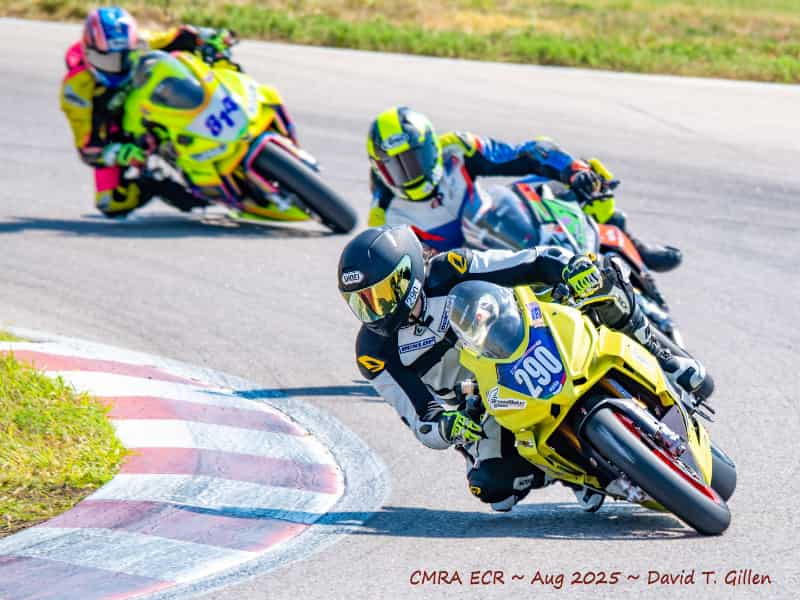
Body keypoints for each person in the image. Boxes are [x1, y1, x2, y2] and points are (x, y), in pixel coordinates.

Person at [337, 226, 709, 512]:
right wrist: (445, 426)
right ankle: (577, 472)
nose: (376, 310)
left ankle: (664, 357)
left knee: (602, 281)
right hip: (483, 401)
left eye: (381, 295)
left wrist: (569, 268)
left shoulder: (451, 269)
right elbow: (419, 414)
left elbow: (530, 261)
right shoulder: (374, 352)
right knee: (491, 487)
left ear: (409, 275)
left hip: (525, 333)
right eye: (362, 303)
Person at [365, 106, 681, 272]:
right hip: (470, 277)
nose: (408, 174)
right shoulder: (384, 217)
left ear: (431, 146)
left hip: (503, 221)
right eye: (394, 166)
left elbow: (525, 153)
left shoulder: (457, 149)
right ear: (378, 167)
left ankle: (630, 242)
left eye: (414, 160)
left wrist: (574, 171)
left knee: (582, 172)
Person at [60, 7, 239, 218]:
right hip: (120, 133)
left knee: (213, 64)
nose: (118, 68)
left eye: (126, 57)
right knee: (110, 202)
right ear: (88, 53)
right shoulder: (75, 90)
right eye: (107, 61)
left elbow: (179, 35)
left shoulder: (142, 44)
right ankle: (166, 185)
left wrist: (209, 38)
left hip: (159, 101)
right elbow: (87, 148)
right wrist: (117, 152)